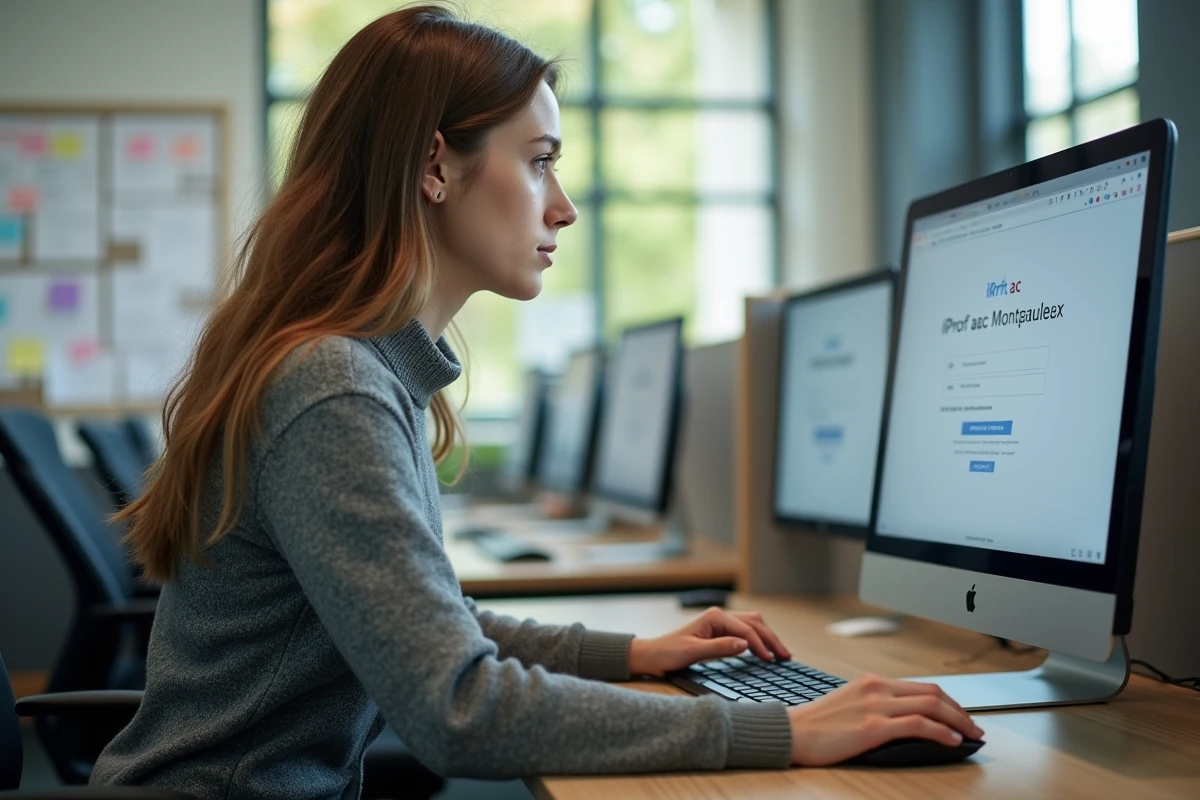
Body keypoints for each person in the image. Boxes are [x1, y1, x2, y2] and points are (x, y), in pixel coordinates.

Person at [92, 5, 981, 797]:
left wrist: (631, 653)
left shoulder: (352, 369)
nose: (564, 208)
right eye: (540, 161)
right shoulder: (334, 387)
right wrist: (784, 729)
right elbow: (456, 706)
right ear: (434, 165)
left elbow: (426, 624)